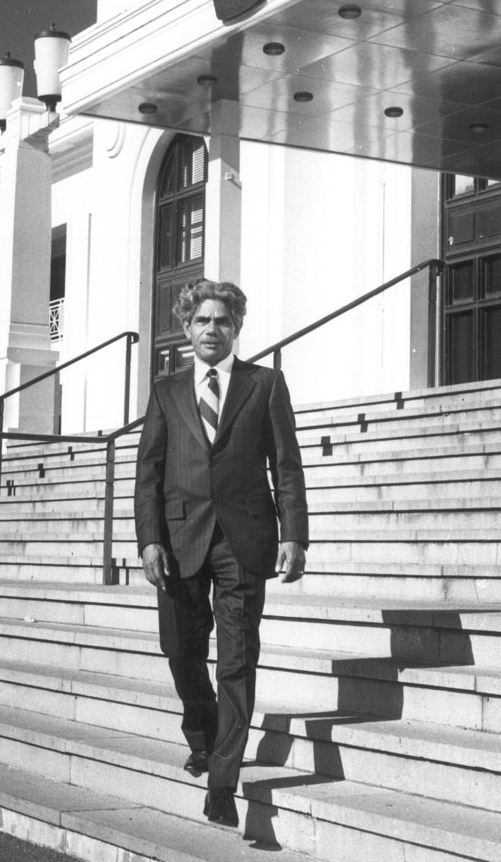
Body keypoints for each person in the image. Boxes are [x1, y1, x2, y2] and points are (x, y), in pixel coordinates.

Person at [134, 278, 309, 829]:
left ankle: (222, 783)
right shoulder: (166, 391)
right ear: (187, 330)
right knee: (182, 652)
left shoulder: (265, 385)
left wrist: (294, 534)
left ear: (236, 329)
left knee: (237, 660)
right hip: (180, 541)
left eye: (223, 321)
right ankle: (203, 735)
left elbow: (285, 465)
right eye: (203, 320)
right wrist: (149, 540)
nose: (213, 329)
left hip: (243, 540)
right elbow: (148, 474)